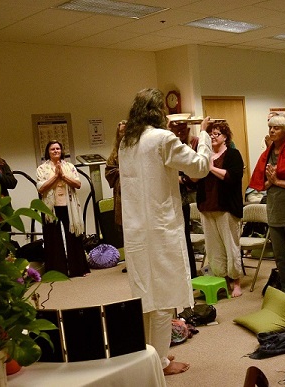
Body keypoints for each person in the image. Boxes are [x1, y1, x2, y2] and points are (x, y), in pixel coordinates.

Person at [118, 88, 211, 376]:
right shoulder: (162, 138)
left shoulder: (127, 142)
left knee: (145, 295)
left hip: (136, 230)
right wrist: (203, 136)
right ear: (157, 112)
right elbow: (201, 167)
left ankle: (150, 353)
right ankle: (159, 363)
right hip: (160, 229)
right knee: (162, 297)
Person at [250, 114, 285, 301]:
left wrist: (277, 181)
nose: (272, 131)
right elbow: (262, 183)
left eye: (276, 128)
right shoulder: (267, 154)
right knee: (280, 256)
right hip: (274, 208)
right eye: (270, 128)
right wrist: (272, 182)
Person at [195, 120, 244, 297]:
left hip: (226, 208)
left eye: (217, 134)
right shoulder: (204, 155)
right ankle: (221, 280)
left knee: (231, 247)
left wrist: (211, 168)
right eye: (210, 134)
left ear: (225, 137)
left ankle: (236, 282)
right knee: (213, 248)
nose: (213, 137)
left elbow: (233, 177)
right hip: (207, 207)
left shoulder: (232, 154)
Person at [36, 140, 89, 278]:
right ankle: (57, 271)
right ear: (48, 152)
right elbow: (41, 188)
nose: (55, 151)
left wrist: (63, 176)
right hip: (51, 208)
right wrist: (55, 177)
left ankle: (78, 269)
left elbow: (77, 184)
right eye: (52, 149)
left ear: (61, 151)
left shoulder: (69, 166)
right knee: (53, 239)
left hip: (69, 205)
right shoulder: (42, 168)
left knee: (73, 236)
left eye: (58, 149)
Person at [168, 114, 200, 278]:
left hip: (182, 200)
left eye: (182, 130)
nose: (179, 133)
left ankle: (191, 275)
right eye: (176, 129)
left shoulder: (187, 146)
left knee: (184, 238)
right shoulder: (168, 145)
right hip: (169, 201)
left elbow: (194, 175)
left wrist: (179, 179)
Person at [105, 120, 127, 273]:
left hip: (136, 193)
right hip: (121, 195)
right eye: (121, 131)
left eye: (126, 131)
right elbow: (109, 171)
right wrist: (121, 171)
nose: (123, 134)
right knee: (125, 229)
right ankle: (130, 262)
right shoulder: (114, 153)